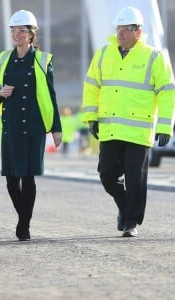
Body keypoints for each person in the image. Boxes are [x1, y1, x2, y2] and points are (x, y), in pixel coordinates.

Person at [82, 6, 175, 237]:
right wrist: (91, 117)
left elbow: (167, 92)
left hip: (137, 131)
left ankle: (130, 222)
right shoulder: (104, 53)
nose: (120, 33)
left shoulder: (154, 57)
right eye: (118, 29)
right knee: (106, 175)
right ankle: (125, 208)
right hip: (110, 128)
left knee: (135, 180)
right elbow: (92, 86)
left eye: (125, 29)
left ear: (138, 31)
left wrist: (165, 126)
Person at [0, 10, 62, 241]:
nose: (17, 34)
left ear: (32, 34)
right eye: (13, 30)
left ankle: (24, 225)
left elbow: (51, 95)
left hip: (33, 126)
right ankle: (24, 215)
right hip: (10, 125)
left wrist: (56, 128)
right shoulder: (3, 58)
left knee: (28, 177)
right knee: (11, 180)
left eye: (22, 31)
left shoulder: (42, 60)